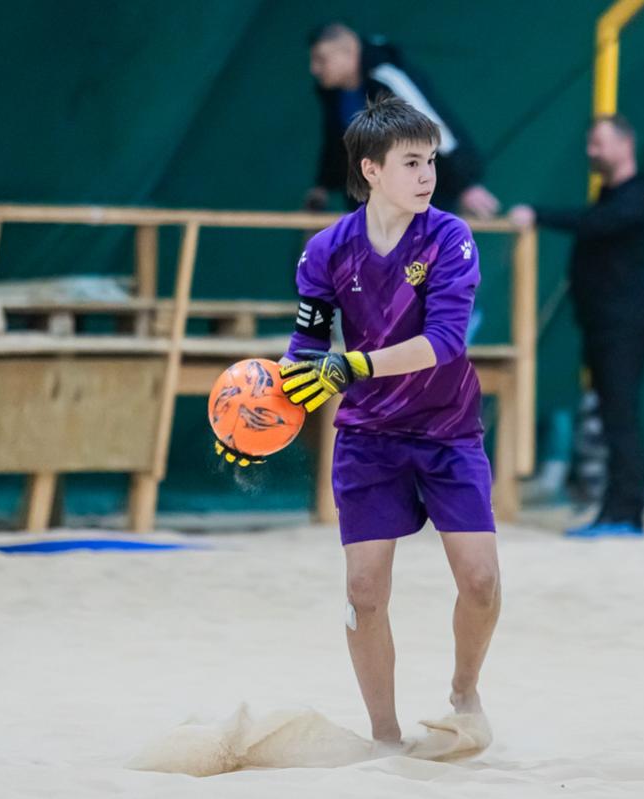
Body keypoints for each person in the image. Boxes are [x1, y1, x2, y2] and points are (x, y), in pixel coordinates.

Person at [275, 96, 499, 745]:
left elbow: (446, 341)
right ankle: (385, 738)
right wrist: (267, 412)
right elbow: (305, 350)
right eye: (411, 162)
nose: (428, 175)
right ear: (371, 169)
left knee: (480, 581)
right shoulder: (325, 250)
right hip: (368, 438)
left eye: (431, 161)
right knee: (364, 590)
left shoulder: (450, 238)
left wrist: (353, 365)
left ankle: (463, 690)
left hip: (447, 429)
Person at [510, 115, 644, 537]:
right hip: (600, 325)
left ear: (625, 144)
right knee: (611, 417)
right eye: (589, 144)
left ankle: (626, 513)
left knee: (620, 417)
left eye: (598, 144)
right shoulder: (610, 196)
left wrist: (537, 215)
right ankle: (613, 510)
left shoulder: (638, 196)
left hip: (624, 326)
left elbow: (597, 223)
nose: (590, 152)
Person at [305, 21, 499, 218]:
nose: (314, 69)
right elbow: (338, 144)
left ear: (349, 52)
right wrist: (323, 186)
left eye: (321, 60)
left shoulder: (387, 78)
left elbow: (434, 128)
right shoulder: (333, 95)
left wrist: (465, 185)